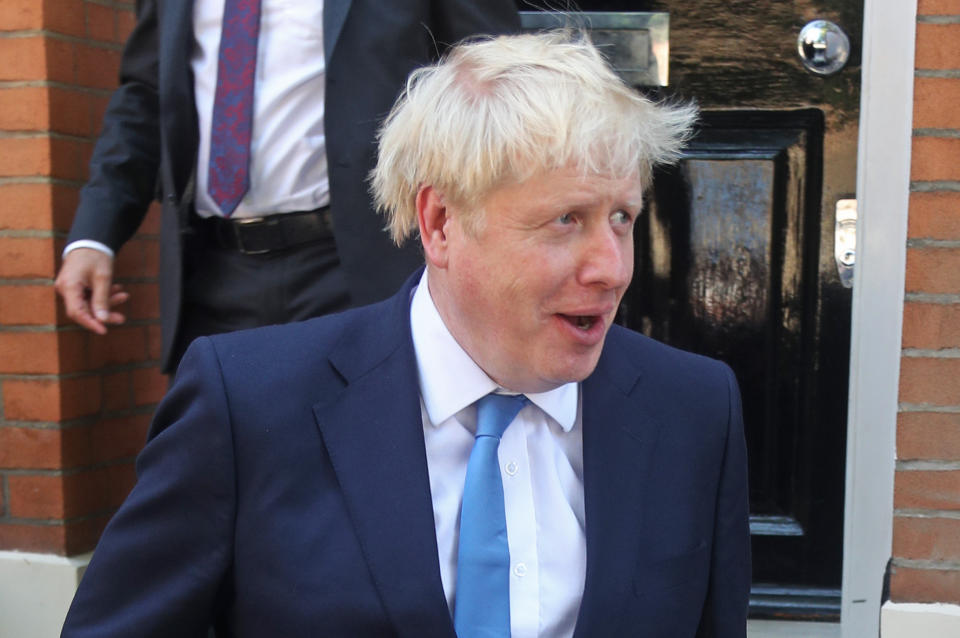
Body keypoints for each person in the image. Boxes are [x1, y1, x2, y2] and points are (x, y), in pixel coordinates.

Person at [61, 31, 751, 637]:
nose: (611, 268)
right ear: (441, 223)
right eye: (567, 219)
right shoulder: (247, 407)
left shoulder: (692, 408)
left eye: (622, 218)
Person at [54, 0, 520, 373]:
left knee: (367, 475)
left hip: (358, 271)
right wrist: (96, 234)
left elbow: (494, 72)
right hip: (213, 274)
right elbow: (147, 93)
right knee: (225, 478)